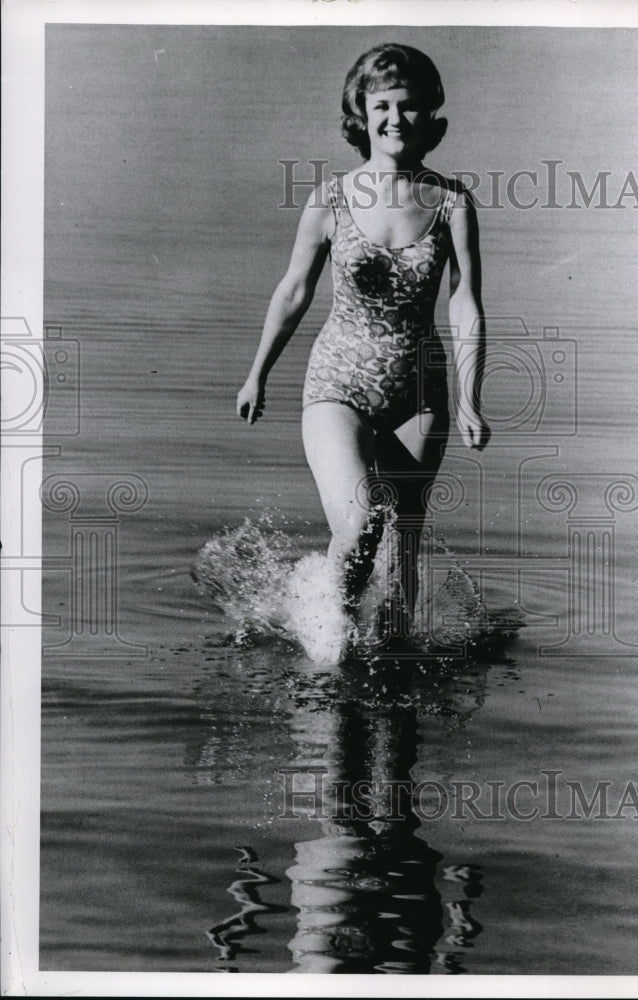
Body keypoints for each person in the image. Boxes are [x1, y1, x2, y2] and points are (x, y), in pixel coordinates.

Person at [237, 43, 489, 654]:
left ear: (431, 118)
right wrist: (257, 374)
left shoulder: (452, 203)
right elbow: (294, 289)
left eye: (409, 106)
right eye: (382, 106)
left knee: (401, 555)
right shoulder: (329, 199)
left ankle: (390, 678)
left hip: (418, 393)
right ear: (361, 115)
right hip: (338, 386)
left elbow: (465, 302)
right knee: (359, 524)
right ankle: (331, 649)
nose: (395, 119)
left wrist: (471, 397)